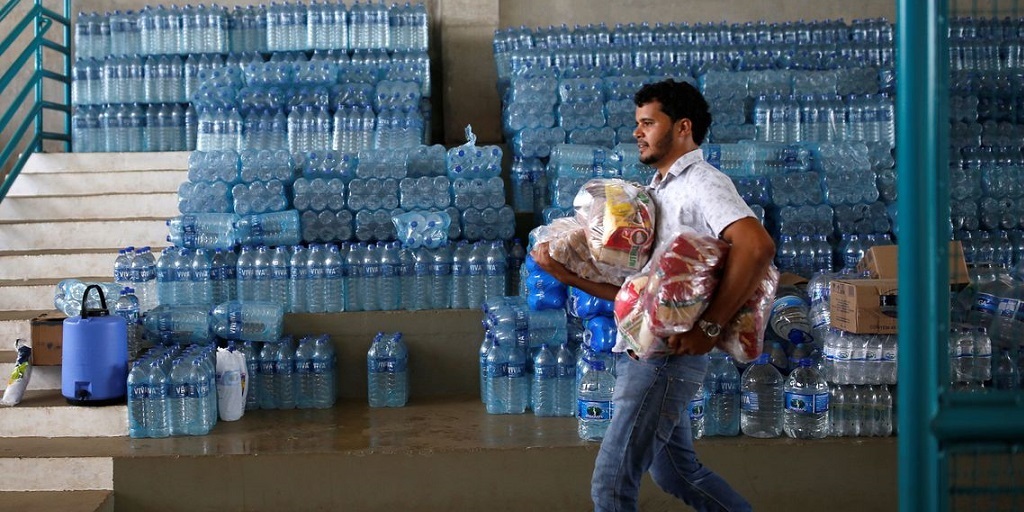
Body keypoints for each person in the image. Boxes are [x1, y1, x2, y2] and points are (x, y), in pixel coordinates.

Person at [531, 79, 776, 511]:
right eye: (637, 123)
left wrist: (709, 327)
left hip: (666, 361)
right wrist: (564, 273)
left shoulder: (702, 182)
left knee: (610, 487)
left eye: (648, 123)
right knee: (678, 473)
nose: (637, 132)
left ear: (682, 127)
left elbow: (756, 246)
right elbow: (637, 294)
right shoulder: (658, 190)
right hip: (643, 350)